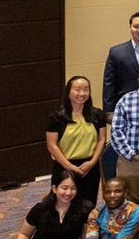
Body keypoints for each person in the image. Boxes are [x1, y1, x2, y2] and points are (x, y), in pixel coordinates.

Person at [46, 75, 108, 204]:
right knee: (64, 202)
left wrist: (92, 162)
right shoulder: (57, 117)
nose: (82, 93)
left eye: (86, 89)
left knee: (88, 202)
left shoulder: (97, 115)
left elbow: (102, 140)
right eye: (77, 89)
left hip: (90, 166)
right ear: (68, 92)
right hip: (65, 165)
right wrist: (70, 167)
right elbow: (52, 145)